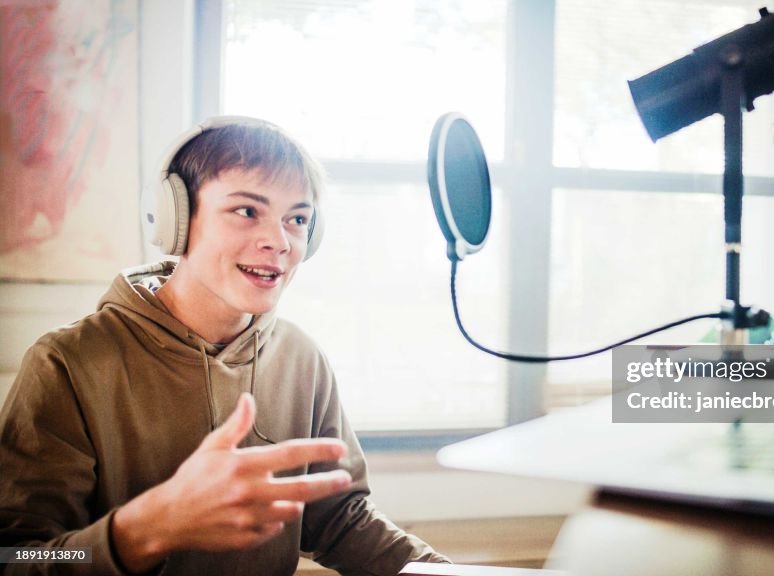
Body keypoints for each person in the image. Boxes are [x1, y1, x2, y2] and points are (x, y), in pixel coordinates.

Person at [0, 117, 450, 575]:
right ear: (176, 220)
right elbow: (17, 557)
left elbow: (341, 521)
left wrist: (450, 572)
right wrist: (143, 529)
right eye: (247, 211)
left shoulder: (301, 359)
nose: (278, 241)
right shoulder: (67, 363)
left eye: (297, 219)